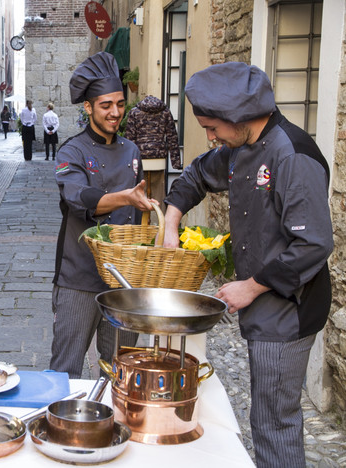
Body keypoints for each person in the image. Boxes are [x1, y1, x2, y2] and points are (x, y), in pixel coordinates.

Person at [162, 62, 333, 468]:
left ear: (237, 117)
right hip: (263, 305)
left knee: (275, 423)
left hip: (289, 309)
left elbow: (313, 244)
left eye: (212, 127)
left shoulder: (292, 155)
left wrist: (250, 286)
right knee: (265, 417)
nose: (210, 136)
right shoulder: (239, 148)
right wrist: (171, 219)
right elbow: (198, 174)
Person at [50, 52, 157, 379]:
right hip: (79, 278)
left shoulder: (131, 151)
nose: (115, 113)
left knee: (122, 372)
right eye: (106, 105)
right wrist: (123, 197)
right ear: (88, 107)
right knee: (65, 372)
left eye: (120, 104)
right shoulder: (71, 151)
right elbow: (77, 197)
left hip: (123, 283)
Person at [124, 95, 181, 202]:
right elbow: (172, 137)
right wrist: (176, 163)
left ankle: (141, 217)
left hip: (140, 157)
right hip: (159, 158)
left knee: (139, 191)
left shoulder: (134, 113)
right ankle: (161, 217)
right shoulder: (165, 112)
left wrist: (128, 163)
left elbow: (129, 139)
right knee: (160, 193)